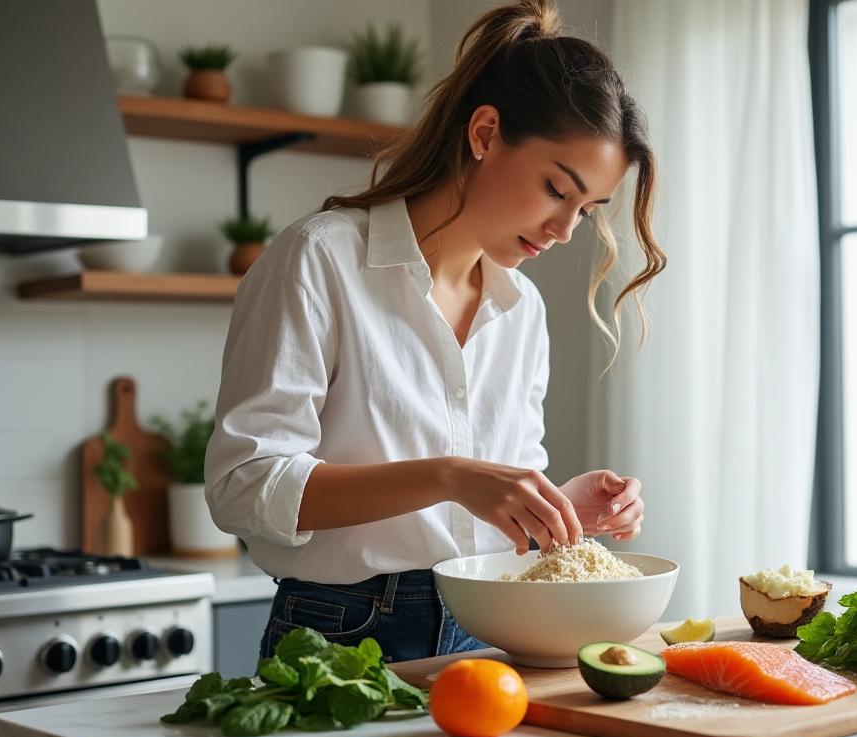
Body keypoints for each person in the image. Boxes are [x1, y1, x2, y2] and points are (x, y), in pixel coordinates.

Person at [204, 0, 667, 664]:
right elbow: (245, 485)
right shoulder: (322, 259)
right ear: (484, 134)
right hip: (339, 633)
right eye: (556, 190)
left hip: (492, 629)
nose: (566, 230)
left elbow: (473, 511)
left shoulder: (521, 310)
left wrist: (556, 508)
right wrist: (450, 476)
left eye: (588, 210)